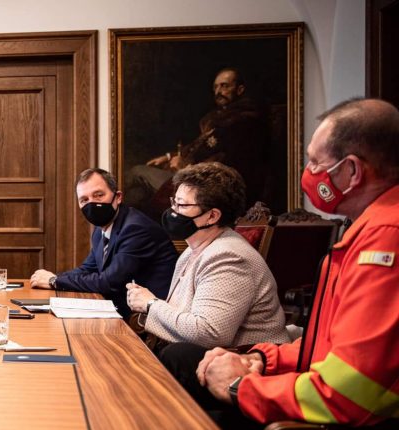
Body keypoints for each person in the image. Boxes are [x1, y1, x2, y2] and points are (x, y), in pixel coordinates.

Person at [187, 98, 399, 427]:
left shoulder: (386, 238)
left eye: (315, 162)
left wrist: (241, 387)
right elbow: (326, 348)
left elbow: (347, 392)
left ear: (352, 171)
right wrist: (261, 358)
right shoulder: (368, 228)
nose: (308, 173)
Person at [126, 162, 290, 351]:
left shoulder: (228, 257)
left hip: (244, 356)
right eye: (174, 202)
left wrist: (150, 304)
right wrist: (148, 305)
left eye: (182, 205)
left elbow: (208, 333)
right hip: (207, 352)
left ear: (212, 216)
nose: (173, 211)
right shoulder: (192, 250)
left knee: (173, 354)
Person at [127, 67, 271, 220]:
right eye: (215, 87)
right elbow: (199, 146)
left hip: (206, 188)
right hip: (194, 177)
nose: (218, 91)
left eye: (224, 86)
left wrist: (186, 167)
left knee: (137, 172)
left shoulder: (243, 121)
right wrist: (169, 156)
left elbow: (225, 163)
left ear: (240, 89)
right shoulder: (217, 117)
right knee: (137, 194)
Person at [29, 168, 177, 317]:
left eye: (98, 195)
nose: (91, 204)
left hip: (150, 317)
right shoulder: (100, 230)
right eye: (84, 200)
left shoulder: (136, 228)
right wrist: (52, 278)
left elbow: (109, 282)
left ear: (118, 197)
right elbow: (88, 269)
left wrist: (54, 281)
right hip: (122, 309)